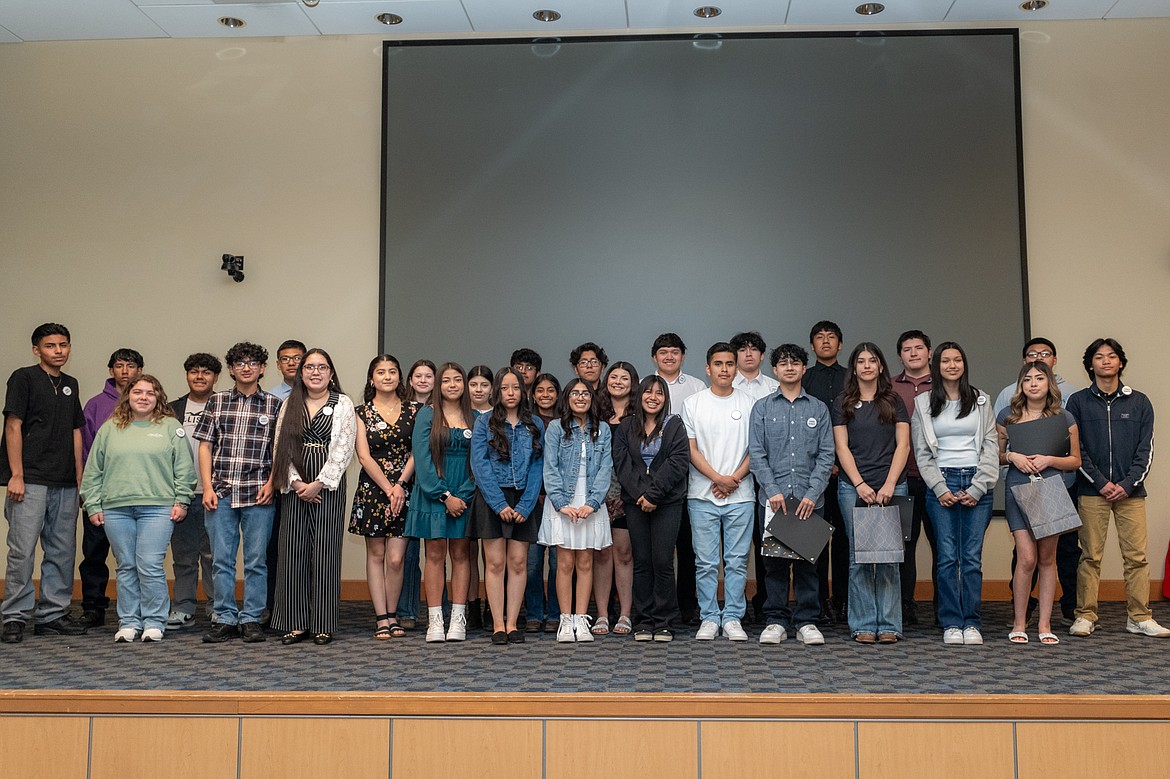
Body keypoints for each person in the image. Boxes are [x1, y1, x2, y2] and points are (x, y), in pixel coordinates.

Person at [1066, 338, 1169, 638]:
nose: (1106, 361)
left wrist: (1125, 485)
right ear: (1090, 365)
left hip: (1131, 493)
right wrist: (1101, 482)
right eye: (1099, 357)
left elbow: (1145, 450)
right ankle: (1086, 615)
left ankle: (1139, 616)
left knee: (1136, 557)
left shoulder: (1140, 402)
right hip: (1091, 491)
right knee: (1089, 557)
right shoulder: (1078, 402)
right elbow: (1077, 449)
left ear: (1121, 363)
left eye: (1112, 357)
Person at [81, 375, 195, 642]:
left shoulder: (170, 427)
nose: (144, 397)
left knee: (150, 565)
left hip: (158, 508)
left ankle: (154, 621)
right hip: (116, 509)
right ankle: (129, 621)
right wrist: (93, 504)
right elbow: (93, 471)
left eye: (150, 393)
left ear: (158, 398)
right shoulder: (110, 428)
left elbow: (184, 470)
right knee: (126, 565)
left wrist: (182, 501)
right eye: (138, 392)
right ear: (127, 396)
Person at [1, 323, 88, 643]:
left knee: (62, 551)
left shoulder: (71, 384)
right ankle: (14, 616)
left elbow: (76, 430)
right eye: (51, 346)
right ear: (37, 349)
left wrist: (79, 477)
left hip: (65, 481)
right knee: (22, 552)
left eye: (64, 345)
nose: (59, 351)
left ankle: (53, 614)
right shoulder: (23, 378)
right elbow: (13, 426)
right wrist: (17, 474)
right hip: (30, 479)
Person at [910, 342, 998, 646]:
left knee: (971, 558)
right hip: (942, 482)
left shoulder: (982, 399)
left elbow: (991, 446)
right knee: (947, 557)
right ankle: (951, 622)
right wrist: (939, 487)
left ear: (964, 364)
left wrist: (977, 486)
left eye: (957, 359)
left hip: (977, 481)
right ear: (937, 365)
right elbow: (922, 452)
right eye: (945, 360)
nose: (951, 365)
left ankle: (971, 622)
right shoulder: (923, 403)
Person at [194, 342, 282, 644]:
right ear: (231, 369)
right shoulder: (216, 402)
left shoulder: (273, 405)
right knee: (221, 560)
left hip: (259, 494)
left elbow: (279, 450)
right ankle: (225, 617)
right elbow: (205, 446)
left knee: (256, 561)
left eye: (253, 362)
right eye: (240, 363)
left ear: (262, 369)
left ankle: (252, 618)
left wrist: (272, 484)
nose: (246, 367)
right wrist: (206, 486)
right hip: (221, 493)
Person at [748, 343, 834, 646]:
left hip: (811, 501)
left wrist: (812, 494)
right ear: (775, 370)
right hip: (774, 501)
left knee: (810, 564)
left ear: (803, 368)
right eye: (783, 363)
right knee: (774, 565)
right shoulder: (762, 407)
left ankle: (807, 620)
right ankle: (776, 620)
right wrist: (771, 490)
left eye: (795, 363)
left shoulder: (818, 408)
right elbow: (757, 454)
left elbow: (827, 455)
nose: (789, 367)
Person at [269, 349, 355, 646]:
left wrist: (319, 483)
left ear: (331, 373)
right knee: (292, 553)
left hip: (328, 486)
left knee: (325, 554)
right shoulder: (288, 403)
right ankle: (295, 623)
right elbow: (280, 445)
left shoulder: (342, 403)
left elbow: (344, 447)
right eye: (309, 367)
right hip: (295, 487)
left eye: (322, 367)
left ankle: (323, 623)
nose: (315, 372)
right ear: (300, 373)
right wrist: (295, 482)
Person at [993, 337, 1080, 626]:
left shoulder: (1064, 416)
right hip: (1018, 488)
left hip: (1051, 489)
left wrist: (1050, 460)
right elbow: (996, 454)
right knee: (1027, 558)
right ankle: (1020, 623)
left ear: (1049, 383)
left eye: (1039, 378)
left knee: (1047, 559)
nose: (1033, 384)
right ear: (1020, 385)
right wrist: (1012, 457)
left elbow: (1075, 460)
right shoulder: (1007, 416)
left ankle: (1044, 624)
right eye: (1027, 379)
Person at [832, 342, 910, 644]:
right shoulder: (843, 402)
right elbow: (842, 447)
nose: (866, 365)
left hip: (893, 484)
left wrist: (889, 484)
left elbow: (903, 445)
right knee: (859, 558)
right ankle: (863, 623)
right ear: (854, 367)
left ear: (880, 366)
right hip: (853, 489)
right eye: (861, 361)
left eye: (872, 360)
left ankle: (889, 625)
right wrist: (860, 484)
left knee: (889, 558)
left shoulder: (894, 400)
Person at [683, 342, 755, 642]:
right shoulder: (693, 403)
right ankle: (710, 617)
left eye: (729, 364)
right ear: (707, 368)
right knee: (706, 562)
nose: (724, 369)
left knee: (737, 561)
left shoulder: (750, 402)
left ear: (736, 368)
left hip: (741, 494)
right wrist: (717, 478)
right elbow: (691, 449)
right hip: (702, 495)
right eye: (718, 364)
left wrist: (732, 479)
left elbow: (757, 449)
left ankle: (734, 617)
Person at [470, 368, 545, 644]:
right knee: (496, 562)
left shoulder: (535, 423)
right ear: (497, 392)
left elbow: (539, 466)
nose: (511, 393)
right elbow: (480, 465)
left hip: (523, 499)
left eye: (515, 388)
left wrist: (525, 505)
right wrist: (499, 503)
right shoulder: (485, 423)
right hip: (492, 498)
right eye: (505, 388)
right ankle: (498, 624)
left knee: (517, 562)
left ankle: (513, 623)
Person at [613, 375, 689, 641]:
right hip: (635, 503)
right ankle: (644, 620)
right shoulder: (625, 427)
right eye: (648, 392)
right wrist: (641, 495)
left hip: (667, 502)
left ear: (665, 398)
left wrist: (654, 495)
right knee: (642, 562)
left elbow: (678, 462)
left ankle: (664, 620)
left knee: (662, 561)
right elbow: (622, 466)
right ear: (640, 395)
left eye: (659, 393)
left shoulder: (674, 425)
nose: (653, 397)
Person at [538, 377, 613, 643]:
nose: (580, 398)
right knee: (564, 562)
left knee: (585, 561)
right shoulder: (557, 428)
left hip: (591, 502)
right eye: (575, 393)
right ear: (567, 398)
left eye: (586, 394)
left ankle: (582, 620)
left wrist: (592, 503)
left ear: (592, 399)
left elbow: (606, 469)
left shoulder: (603, 429)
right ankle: (565, 620)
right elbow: (550, 467)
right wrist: (561, 503)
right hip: (563, 502)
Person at [349, 354, 419, 639]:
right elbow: (363, 457)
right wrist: (388, 488)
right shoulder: (360, 412)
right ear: (371, 379)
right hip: (373, 491)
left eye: (392, 371)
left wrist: (400, 484)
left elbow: (418, 452)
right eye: (381, 372)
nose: (387, 376)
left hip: (406, 489)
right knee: (376, 555)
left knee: (396, 559)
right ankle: (382, 618)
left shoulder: (415, 411)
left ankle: (394, 614)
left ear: (399, 377)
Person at [407, 362, 476, 643]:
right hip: (434, 493)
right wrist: (445, 496)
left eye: (457, 380)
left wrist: (463, 495)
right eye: (446, 380)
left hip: (465, 493)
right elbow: (421, 461)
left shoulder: (474, 417)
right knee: (434, 555)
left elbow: (480, 462)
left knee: (461, 555)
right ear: (438, 384)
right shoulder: (427, 414)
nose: (452, 385)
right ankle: (435, 619)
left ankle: (457, 618)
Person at [78, 347, 144, 627]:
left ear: (140, 371)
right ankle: (93, 606)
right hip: (102, 492)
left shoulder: (148, 403)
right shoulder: (95, 405)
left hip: (138, 493)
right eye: (119, 366)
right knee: (94, 552)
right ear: (111, 371)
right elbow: (84, 448)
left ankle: (141, 608)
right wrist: (85, 488)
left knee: (138, 554)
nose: (125, 371)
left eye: (131, 366)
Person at [652, 332, 704, 625]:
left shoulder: (697, 387)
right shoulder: (645, 386)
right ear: (654, 358)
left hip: (686, 477)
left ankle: (686, 605)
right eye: (663, 352)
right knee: (655, 552)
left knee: (687, 547)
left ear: (682, 356)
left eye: (674, 352)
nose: (669, 356)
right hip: (650, 478)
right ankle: (657, 606)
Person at [167, 353, 221, 629]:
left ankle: (216, 607)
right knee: (184, 556)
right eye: (194, 372)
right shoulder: (171, 409)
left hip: (215, 494)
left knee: (214, 555)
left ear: (216, 378)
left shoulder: (224, 405)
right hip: (182, 495)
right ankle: (183, 607)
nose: (199, 377)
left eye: (206, 372)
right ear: (187, 375)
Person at [801, 320, 849, 625]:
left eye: (831, 337)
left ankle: (843, 600)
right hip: (814, 474)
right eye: (819, 337)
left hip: (848, 473)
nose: (826, 341)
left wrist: (840, 463)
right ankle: (817, 603)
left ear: (840, 345)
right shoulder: (804, 379)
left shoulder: (851, 377)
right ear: (812, 345)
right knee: (814, 539)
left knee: (844, 539)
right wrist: (823, 463)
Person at [731, 330, 779, 625]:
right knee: (735, 550)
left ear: (762, 356)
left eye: (754, 349)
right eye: (742, 349)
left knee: (767, 547)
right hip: (730, 481)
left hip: (768, 479)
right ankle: (732, 606)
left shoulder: (775, 388)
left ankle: (765, 603)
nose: (748, 354)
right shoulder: (722, 385)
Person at [891, 330, 937, 626]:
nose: (913, 353)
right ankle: (904, 606)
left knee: (941, 545)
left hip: (938, 480)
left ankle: (942, 608)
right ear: (900, 356)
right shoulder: (889, 388)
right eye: (907, 349)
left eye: (919, 348)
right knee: (903, 547)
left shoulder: (946, 385)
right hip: (902, 476)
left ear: (929, 352)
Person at [592, 361, 638, 636]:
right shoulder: (595, 413)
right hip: (597, 494)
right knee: (600, 554)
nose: (618, 382)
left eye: (624, 378)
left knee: (623, 553)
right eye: (613, 377)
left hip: (627, 494)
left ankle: (624, 614)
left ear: (633, 383)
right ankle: (600, 615)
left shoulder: (639, 415)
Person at [264, 339, 307, 619]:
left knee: (309, 548)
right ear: (278, 365)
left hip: (313, 482)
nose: (292, 362)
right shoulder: (269, 399)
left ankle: (308, 607)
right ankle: (273, 608)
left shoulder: (322, 396)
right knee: (274, 548)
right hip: (276, 483)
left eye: (297, 358)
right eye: (285, 358)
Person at [398, 358, 437, 629]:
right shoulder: (400, 409)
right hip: (405, 485)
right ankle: (407, 611)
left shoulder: (444, 410)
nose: (423, 380)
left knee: (437, 551)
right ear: (410, 380)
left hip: (435, 484)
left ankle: (441, 609)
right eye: (418, 376)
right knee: (409, 552)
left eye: (428, 376)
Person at [525, 373, 562, 633]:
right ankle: (534, 613)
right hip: (531, 499)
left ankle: (557, 613)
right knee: (532, 561)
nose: (545, 394)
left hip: (559, 500)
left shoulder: (565, 424)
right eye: (540, 390)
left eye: (551, 390)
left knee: (558, 562)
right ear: (533, 394)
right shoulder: (526, 423)